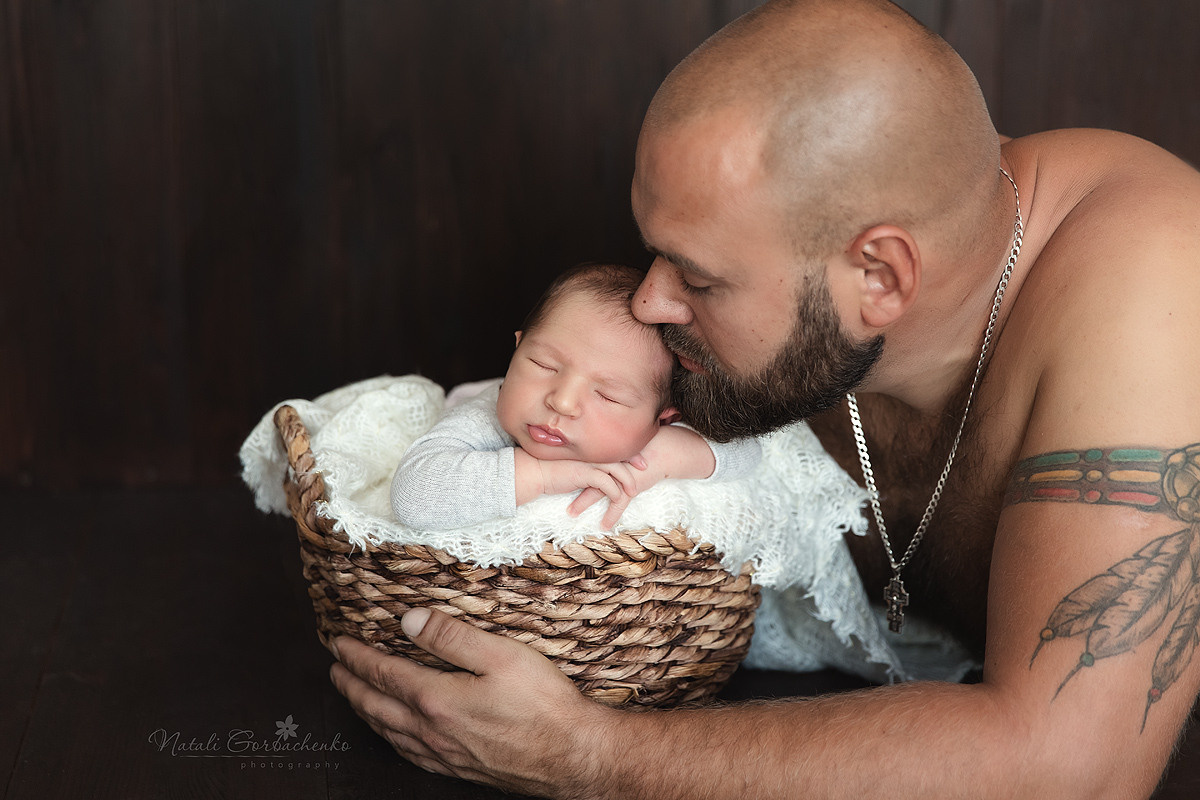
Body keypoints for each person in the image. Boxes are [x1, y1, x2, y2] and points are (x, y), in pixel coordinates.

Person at [329, 0, 1200, 796]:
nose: (648, 303)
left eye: (698, 281)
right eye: (655, 253)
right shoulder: (787, 286)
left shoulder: (1160, 285)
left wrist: (587, 753)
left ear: (881, 275)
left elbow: (1070, 769)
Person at [391, 261, 761, 531]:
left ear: (664, 416)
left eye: (607, 395)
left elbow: (747, 449)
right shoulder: (489, 416)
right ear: (517, 350)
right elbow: (415, 494)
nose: (561, 402)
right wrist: (541, 475)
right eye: (543, 365)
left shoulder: (656, 431)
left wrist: (661, 454)